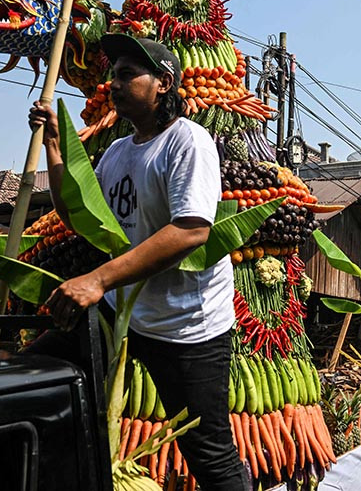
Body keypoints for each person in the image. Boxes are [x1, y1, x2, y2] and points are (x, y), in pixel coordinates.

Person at [28, 34, 247, 491]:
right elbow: (78, 214)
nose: (114, 83)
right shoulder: (117, 152)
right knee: (38, 373)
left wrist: (98, 280)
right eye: (113, 74)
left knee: (208, 453)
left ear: (163, 83)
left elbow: (192, 229)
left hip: (188, 327)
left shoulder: (188, 142)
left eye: (128, 74)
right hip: (124, 315)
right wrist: (53, 144)